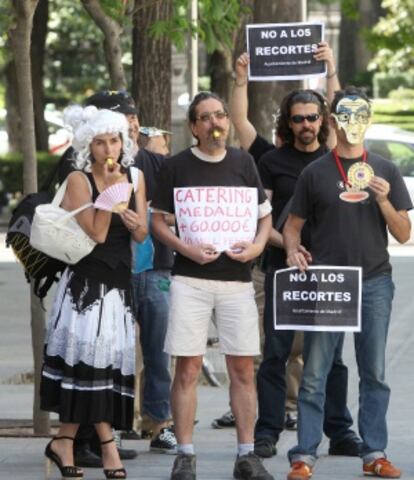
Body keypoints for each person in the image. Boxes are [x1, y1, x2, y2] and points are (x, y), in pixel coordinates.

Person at [231, 44, 361, 459]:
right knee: (276, 354)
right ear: (287, 123)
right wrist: (239, 79)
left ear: (323, 120)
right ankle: (268, 431)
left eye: (312, 117)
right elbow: (261, 221)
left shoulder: (335, 159)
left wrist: (330, 69)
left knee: (333, 357)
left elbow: (346, 110)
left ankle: (339, 431)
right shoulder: (270, 160)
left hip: (332, 272)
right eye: (297, 119)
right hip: (282, 272)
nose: (305, 124)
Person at [284, 86, 412, 480]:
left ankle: (374, 453)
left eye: (361, 116)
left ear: (368, 121)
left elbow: (405, 233)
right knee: (315, 373)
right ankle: (304, 455)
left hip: (374, 282)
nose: (353, 124)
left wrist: (385, 201)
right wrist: (292, 251)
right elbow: (292, 226)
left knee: (374, 373)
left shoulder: (386, 170)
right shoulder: (315, 172)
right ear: (334, 122)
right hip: (329, 284)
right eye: (346, 116)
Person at [151, 91, 274, 480]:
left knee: (243, 369)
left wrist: (255, 246)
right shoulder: (176, 167)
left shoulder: (243, 162)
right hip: (190, 279)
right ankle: (184, 455)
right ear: (193, 127)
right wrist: (183, 246)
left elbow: (264, 217)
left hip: (236, 282)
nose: (215, 123)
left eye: (220, 115)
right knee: (186, 368)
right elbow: (157, 221)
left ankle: (246, 455)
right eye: (205, 118)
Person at [40, 105, 148, 480]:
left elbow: (142, 233)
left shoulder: (134, 175)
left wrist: (134, 222)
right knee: (89, 367)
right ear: (89, 146)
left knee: (98, 369)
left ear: (123, 142)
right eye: (100, 142)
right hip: (84, 287)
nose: (108, 149)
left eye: (114, 140)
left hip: (119, 285)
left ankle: (63, 440)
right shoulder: (77, 180)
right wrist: (108, 194)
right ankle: (107, 447)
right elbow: (97, 235)